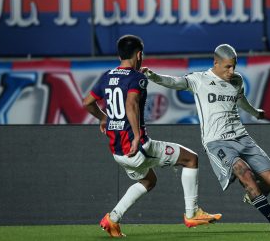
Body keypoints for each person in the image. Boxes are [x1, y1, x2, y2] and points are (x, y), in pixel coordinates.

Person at [82, 35, 221, 237]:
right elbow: (130, 104)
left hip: (118, 152)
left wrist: (103, 118)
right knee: (191, 158)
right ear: (139, 54)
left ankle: (112, 219)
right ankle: (192, 213)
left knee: (149, 181)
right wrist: (137, 136)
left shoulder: (107, 76)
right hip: (138, 148)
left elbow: (87, 102)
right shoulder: (137, 78)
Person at [141, 44, 270, 232]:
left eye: (234, 66)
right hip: (217, 141)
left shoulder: (237, 80)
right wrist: (154, 76)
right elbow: (174, 82)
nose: (232, 71)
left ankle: (254, 195)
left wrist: (255, 113)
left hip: (241, 136)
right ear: (216, 63)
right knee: (244, 172)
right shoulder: (199, 79)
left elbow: (240, 100)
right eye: (227, 66)